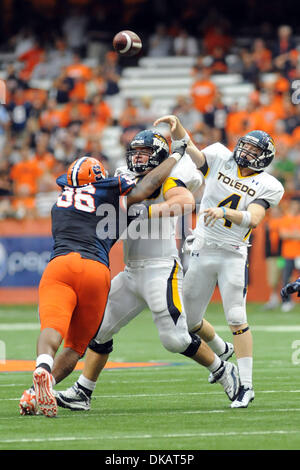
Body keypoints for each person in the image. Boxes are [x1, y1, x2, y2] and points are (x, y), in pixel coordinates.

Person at [20, 130, 238, 415]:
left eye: (145, 154)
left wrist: (150, 209)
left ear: (160, 155)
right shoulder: (120, 178)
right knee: (98, 332)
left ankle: (223, 370)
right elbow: (132, 189)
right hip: (131, 270)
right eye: (134, 152)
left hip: (161, 269)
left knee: (175, 340)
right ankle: (83, 391)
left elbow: (184, 201)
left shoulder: (170, 174)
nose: (138, 158)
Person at [153, 115, 284, 408]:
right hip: (201, 248)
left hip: (232, 253)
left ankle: (247, 387)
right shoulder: (219, 156)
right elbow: (193, 152)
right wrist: (178, 130)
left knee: (237, 317)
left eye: (254, 151)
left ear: (265, 158)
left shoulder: (268, 184)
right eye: (246, 146)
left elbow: (254, 218)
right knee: (189, 322)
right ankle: (221, 350)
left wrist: (225, 214)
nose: (246, 152)